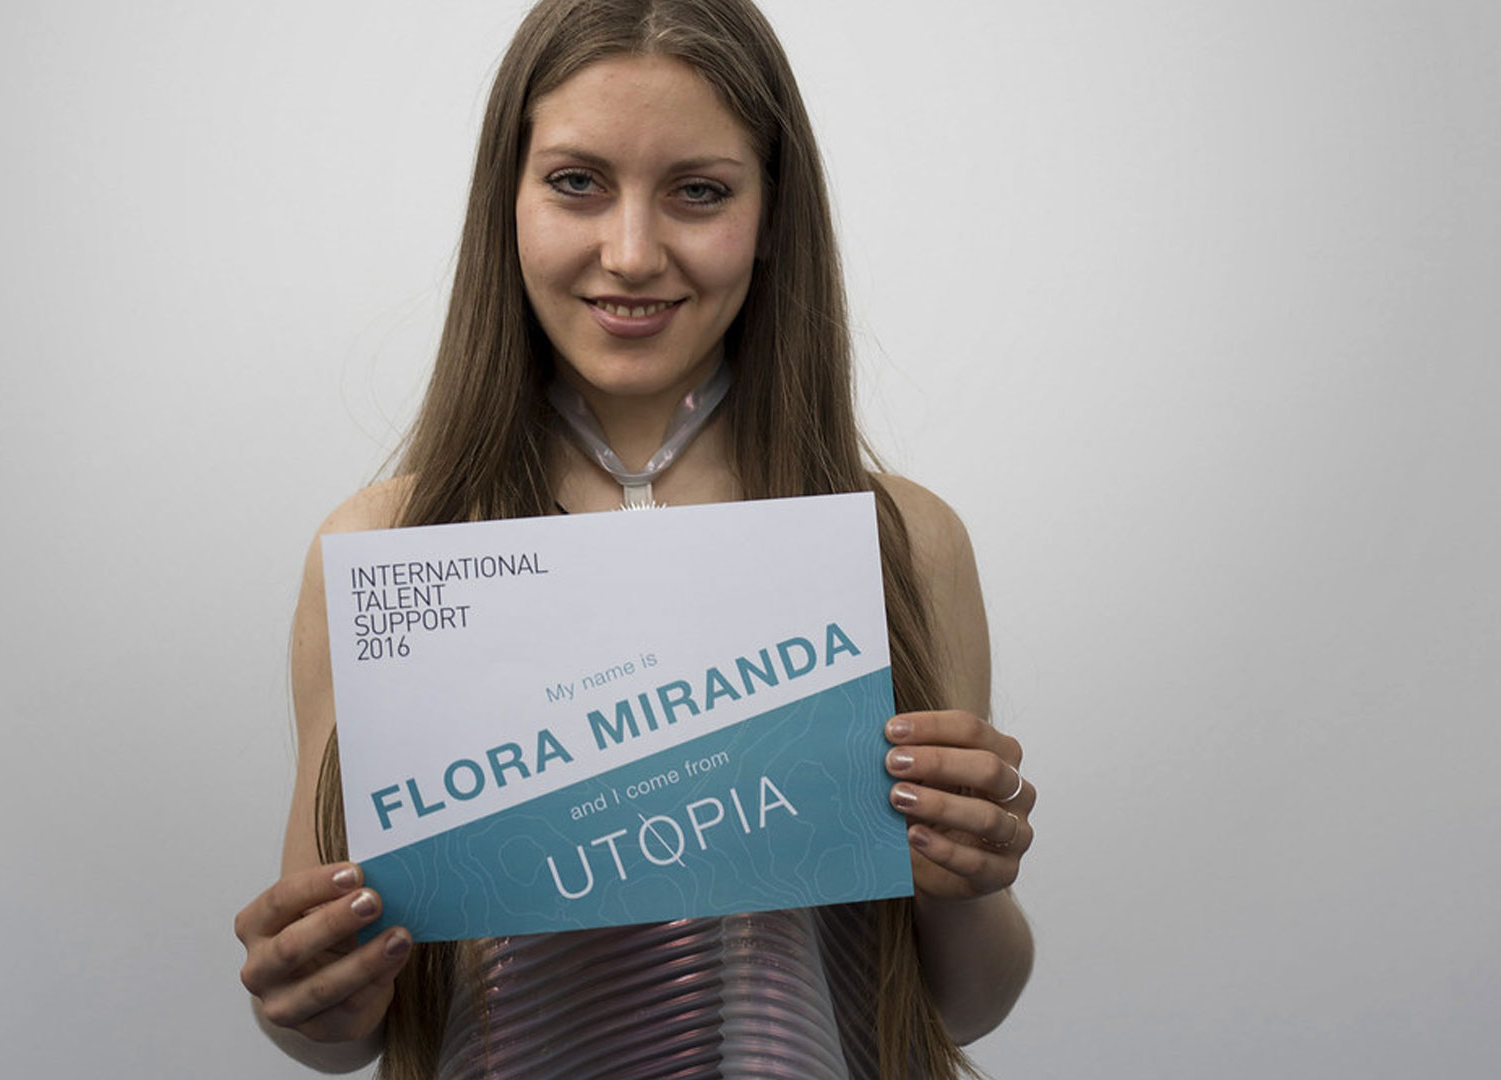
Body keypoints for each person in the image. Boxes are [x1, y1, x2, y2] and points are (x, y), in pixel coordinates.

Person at [234, 1, 1036, 1076]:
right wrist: (308, 995)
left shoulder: (896, 540)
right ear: (506, 201)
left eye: (699, 192)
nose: (631, 252)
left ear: (772, 209)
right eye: (577, 182)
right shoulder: (386, 547)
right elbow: (330, 1030)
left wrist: (971, 877)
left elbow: (968, 1004)